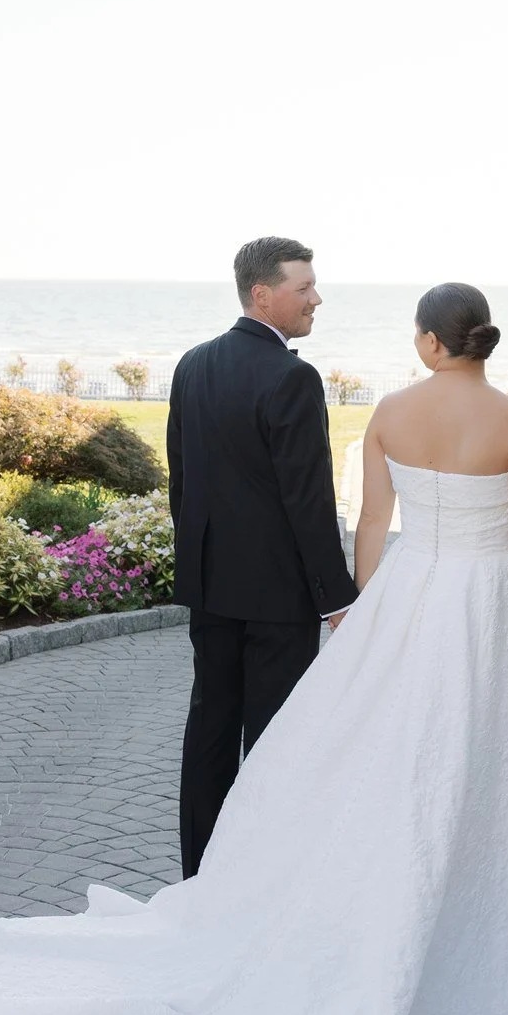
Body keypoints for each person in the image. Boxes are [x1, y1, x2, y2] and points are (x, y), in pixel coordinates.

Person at [0, 281, 508, 1015]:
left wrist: (375, 616)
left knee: (388, 764)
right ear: (478, 341)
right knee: (491, 763)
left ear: (426, 342)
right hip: (486, 610)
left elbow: (371, 528)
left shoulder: (392, 415)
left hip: (408, 599)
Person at [168, 236, 358, 878]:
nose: (316, 299)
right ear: (262, 294)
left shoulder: (192, 364)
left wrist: (195, 567)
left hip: (211, 586)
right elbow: (308, 499)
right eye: (304, 289)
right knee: (275, 743)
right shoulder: (292, 376)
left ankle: (199, 877)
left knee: (210, 731)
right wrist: (336, 597)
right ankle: (257, 883)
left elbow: (182, 482)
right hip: (279, 599)